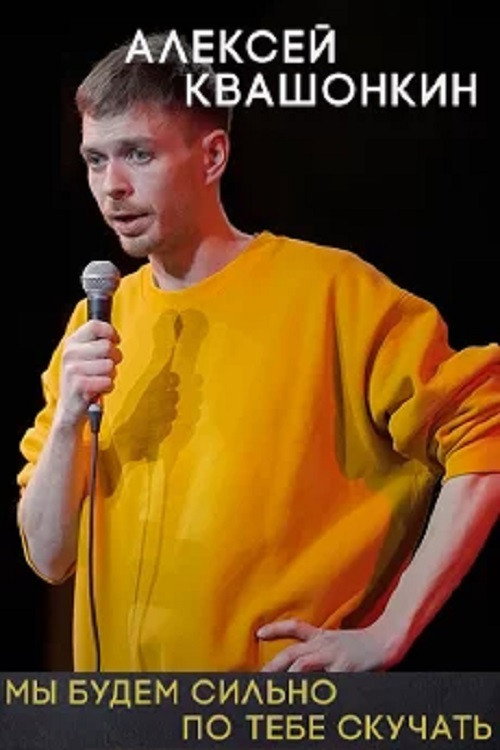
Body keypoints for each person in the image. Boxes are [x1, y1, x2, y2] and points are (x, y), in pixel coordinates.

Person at [17, 32, 499, 672]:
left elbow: (487, 435)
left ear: (212, 155)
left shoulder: (330, 293)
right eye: (95, 159)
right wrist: (69, 421)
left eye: (138, 154)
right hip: (126, 714)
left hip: (277, 708)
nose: (113, 186)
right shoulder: (96, 323)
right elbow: (49, 556)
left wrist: (389, 631)